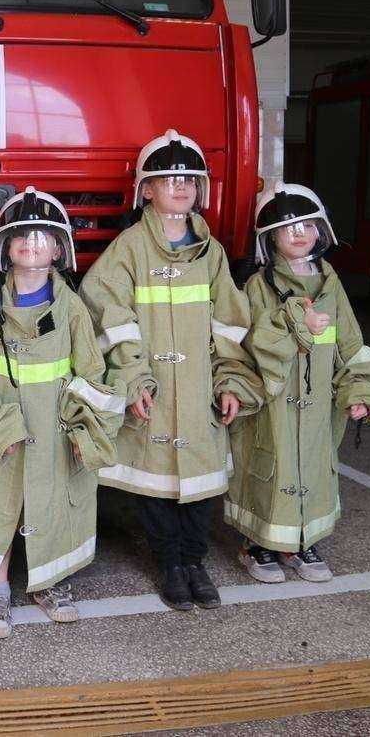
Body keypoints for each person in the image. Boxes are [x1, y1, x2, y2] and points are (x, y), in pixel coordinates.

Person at [0, 187, 124, 639]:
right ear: (4, 249)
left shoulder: (71, 308)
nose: (32, 244)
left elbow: (92, 372)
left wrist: (84, 430)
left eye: (42, 236)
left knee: (51, 504)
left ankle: (49, 583)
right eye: (21, 236)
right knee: (2, 507)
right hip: (3, 437)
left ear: (60, 249)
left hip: (55, 431)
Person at [79, 130, 263, 611]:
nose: (180, 187)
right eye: (167, 179)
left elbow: (229, 324)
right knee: (155, 484)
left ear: (199, 189)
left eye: (188, 179)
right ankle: (170, 564)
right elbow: (109, 316)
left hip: (200, 391)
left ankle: (195, 561)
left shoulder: (212, 253)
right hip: (154, 393)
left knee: (200, 484)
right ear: (146, 190)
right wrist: (134, 378)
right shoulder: (128, 249)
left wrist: (230, 381)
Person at [228, 183, 370, 583]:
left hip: (320, 401)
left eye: (306, 225)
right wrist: (293, 321)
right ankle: (259, 545)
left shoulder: (331, 284)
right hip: (273, 402)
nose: (299, 234)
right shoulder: (258, 286)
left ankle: (304, 543)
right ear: (270, 239)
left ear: (321, 231)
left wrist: (362, 391)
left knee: (314, 470)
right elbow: (254, 342)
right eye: (287, 228)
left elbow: (351, 344)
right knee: (272, 467)